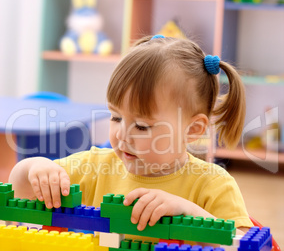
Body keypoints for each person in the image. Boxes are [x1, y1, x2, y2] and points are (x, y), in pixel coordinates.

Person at [9, 35, 253, 234]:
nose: (123, 134)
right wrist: (35, 169)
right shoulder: (94, 167)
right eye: (116, 117)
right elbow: (18, 192)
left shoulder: (212, 184)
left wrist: (190, 212)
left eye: (142, 126)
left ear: (193, 129)